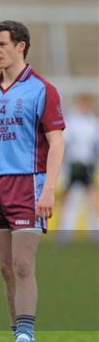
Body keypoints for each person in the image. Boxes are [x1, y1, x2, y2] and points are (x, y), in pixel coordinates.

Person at [0, 20, 65, 342]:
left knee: (24, 265)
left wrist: (49, 188)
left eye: (1, 44)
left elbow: (56, 143)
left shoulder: (42, 89)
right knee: (6, 268)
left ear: (21, 45)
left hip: (27, 185)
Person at [56, 94, 98, 243]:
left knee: (92, 197)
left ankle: (95, 231)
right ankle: (63, 231)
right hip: (72, 163)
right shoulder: (70, 121)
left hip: (87, 163)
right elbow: (64, 142)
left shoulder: (93, 122)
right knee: (66, 198)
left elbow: (95, 144)